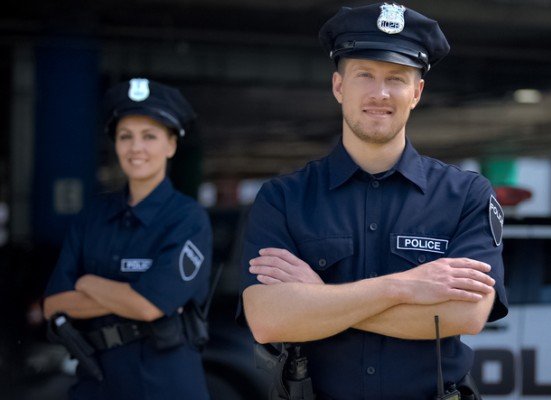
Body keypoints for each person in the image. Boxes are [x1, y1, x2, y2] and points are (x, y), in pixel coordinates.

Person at [238, 3, 508, 399]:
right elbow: (268, 319)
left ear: (416, 93)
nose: (380, 93)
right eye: (364, 74)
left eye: (396, 78)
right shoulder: (284, 198)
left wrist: (318, 299)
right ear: (338, 87)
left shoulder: (466, 195)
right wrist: (405, 286)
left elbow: (464, 314)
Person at [43, 78, 212, 400]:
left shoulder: (187, 219)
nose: (136, 147)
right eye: (125, 137)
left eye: (149, 136)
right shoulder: (92, 217)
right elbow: (53, 304)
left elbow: (148, 306)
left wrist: (88, 282)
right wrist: (128, 296)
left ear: (171, 145)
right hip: (96, 381)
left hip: (165, 384)